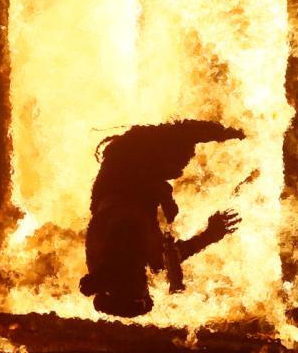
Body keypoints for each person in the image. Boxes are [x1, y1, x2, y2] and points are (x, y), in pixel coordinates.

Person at [79, 119, 244, 317]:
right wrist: (209, 235)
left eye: (143, 292)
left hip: (123, 181)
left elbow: (156, 251)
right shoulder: (119, 263)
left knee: (182, 136)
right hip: (125, 184)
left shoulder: (119, 243)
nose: (182, 168)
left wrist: (161, 194)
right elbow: (165, 256)